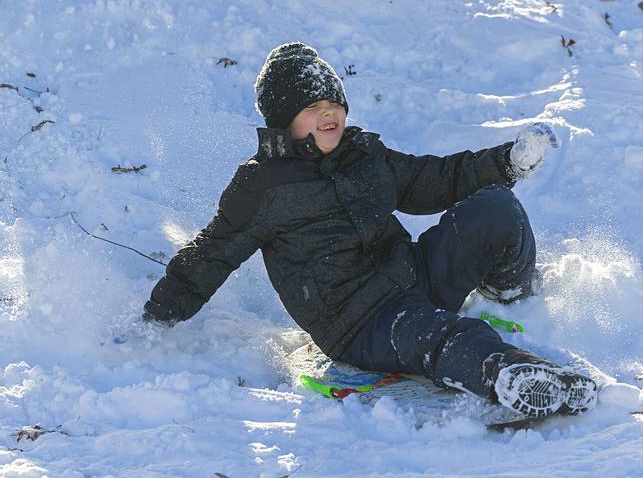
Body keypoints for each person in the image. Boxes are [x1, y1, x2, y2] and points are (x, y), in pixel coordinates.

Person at [143, 42, 597, 418]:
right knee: (447, 336)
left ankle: (512, 294)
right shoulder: (261, 185)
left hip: (412, 279)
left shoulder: (363, 154)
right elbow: (212, 253)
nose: (329, 115)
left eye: (333, 104)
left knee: (495, 207)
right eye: (312, 107)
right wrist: (157, 317)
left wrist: (505, 162)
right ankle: (513, 376)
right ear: (284, 120)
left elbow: (432, 181)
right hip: (361, 321)